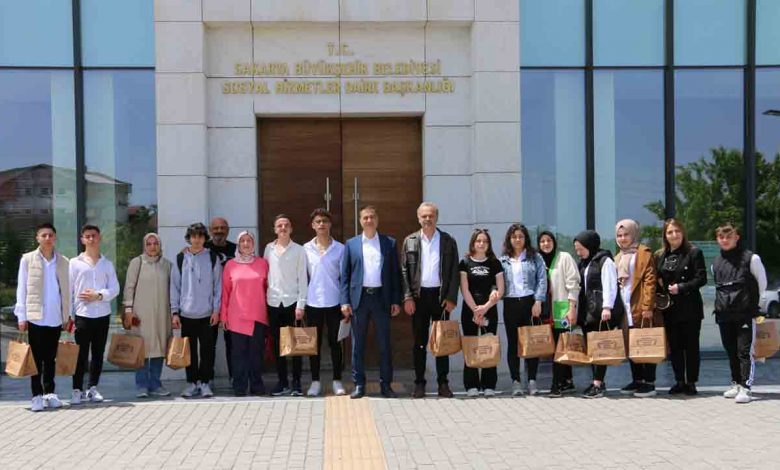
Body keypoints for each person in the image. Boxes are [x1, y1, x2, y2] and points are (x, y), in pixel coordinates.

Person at [340, 205, 402, 399]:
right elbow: (345, 276)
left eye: (372, 217)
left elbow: (395, 274)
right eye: (365, 217)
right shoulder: (351, 244)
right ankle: (359, 385)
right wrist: (344, 301)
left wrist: (396, 300)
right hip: (359, 300)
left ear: (377, 220)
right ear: (360, 221)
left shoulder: (389, 243)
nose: (369, 220)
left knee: (384, 344)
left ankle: (386, 385)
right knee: (357, 345)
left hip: (381, 299)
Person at [401, 202, 460, 399]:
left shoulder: (448, 241)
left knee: (442, 342)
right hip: (418, 298)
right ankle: (419, 383)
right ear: (418, 218)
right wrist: (408, 297)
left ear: (436, 217)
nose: (428, 219)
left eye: (431, 216)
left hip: (440, 298)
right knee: (419, 342)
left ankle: (443, 383)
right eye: (424, 216)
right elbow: (404, 271)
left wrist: (451, 298)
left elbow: (454, 271)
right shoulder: (410, 241)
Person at [14, 222, 71, 411]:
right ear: (37, 238)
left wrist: (67, 316)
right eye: (43, 235)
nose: (47, 238)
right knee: (36, 358)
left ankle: (50, 393)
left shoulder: (63, 261)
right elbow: (22, 288)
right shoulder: (27, 259)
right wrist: (21, 316)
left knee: (51, 358)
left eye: (50, 235)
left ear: (55, 238)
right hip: (35, 316)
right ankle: (36, 395)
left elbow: (67, 291)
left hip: (55, 317)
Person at [711, 223, 767, 404]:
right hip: (724, 313)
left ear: (737, 237)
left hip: (745, 313)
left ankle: (745, 387)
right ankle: (735, 383)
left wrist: (756, 307)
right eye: (721, 237)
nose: (725, 240)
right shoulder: (716, 262)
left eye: (729, 236)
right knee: (730, 350)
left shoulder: (751, 258)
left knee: (744, 351)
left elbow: (762, 284)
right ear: (717, 239)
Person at [170, 222, 222, 398]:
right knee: (189, 351)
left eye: (200, 236)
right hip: (186, 314)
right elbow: (175, 287)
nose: (197, 239)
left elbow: (218, 286)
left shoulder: (212, 258)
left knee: (207, 351)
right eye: (193, 236)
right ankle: (192, 383)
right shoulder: (180, 258)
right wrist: (175, 312)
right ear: (189, 238)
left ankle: (205, 383)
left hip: (207, 314)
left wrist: (216, 310)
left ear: (205, 238)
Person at [70, 224, 120, 404]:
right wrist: (68, 315)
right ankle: (77, 389)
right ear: (82, 240)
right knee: (80, 355)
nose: (91, 239)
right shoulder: (74, 263)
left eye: (94, 236)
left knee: (98, 354)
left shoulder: (107, 264)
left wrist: (98, 295)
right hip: (82, 314)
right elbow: (68, 290)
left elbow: (115, 288)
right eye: (88, 236)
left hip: (102, 315)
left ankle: (92, 388)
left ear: (99, 238)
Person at [656, 219, 707, 396]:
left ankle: (691, 382)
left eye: (677, 231)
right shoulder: (661, 255)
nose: (674, 235)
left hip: (690, 307)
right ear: (665, 235)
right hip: (670, 308)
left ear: (683, 233)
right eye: (670, 232)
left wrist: (682, 287)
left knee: (691, 347)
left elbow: (701, 278)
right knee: (675, 347)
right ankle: (679, 381)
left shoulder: (693, 252)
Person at [573, 230, 624, 399]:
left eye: (580, 249)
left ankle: (597, 384)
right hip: (587, 312)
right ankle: (597, 381)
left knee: (601, 346)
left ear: (590, 245)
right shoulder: (584, 263)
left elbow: (610, 285)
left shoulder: (605, 261)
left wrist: (607, 307)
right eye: (576, 249)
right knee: (592, 348)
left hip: (601, 311)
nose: (578, 252)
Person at [499, 224, 547, 396]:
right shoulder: (503, 260)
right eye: (514, 237)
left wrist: (538, 301)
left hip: (530, 303)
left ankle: (532, 380)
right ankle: (516, 381)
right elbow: (497, 283)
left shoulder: (535, 257)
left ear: (525, 238)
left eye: (520, 236)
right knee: (513, 343)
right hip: (511, 303)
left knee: (531, 342)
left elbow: (542, 280)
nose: (517, 240)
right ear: (509, 239)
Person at [122, 233, 172, 398]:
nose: (152, 247)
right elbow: (129, 287)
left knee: (159, 348)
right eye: (149, 244)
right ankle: (142, 385)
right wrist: (128, 310)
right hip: (140, 314)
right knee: (141, 349)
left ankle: (156, 384)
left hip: (161, 314)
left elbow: (173, 289)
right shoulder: (137, 262)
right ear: (144, 245)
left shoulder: (167, 265)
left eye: (155, 243)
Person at [220, 231, 269, 396]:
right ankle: (239, 387)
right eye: (242, 241)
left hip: (258, 316)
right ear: (238, 244)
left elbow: (267, 289)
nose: (246, 244)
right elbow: (225, 292)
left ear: (253, 244)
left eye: (249, 241)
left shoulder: (262, 263)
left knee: (256, 354)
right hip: (236, 317)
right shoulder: (230, 265)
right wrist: (223, 316)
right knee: (238, 354)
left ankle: (256, 385)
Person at [614, 219, 660, 398]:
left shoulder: (643, 253)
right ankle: (637, 380)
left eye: (626, 234)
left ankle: (650, 382)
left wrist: (648, 305)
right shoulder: (618, 257)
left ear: (633, 234)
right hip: (625, 307)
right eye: (619, 235)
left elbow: (650, 280)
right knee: (631, 343)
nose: (623, 238)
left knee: (646, 341)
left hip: (640, 304)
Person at [303, 209, 346, 397]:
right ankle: (315, 381)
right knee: (314, 344)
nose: (321, 224)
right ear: (313, 225)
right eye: (318, 221)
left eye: (325, 221)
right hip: (312, 303)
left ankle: (337, 380)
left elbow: (344, 278)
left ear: (330, 224)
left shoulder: (340, 249)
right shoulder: (305, 249)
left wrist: (345, 302)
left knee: (336, 343)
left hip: (335, 302)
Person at [264, 214, 308, 397]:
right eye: (279, 225)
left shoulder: (299, 250)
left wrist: (301, 304)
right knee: (277, 345)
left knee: (295, 345)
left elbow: (303, 279)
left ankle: (296, 382)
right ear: (275, 229)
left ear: (291, 229)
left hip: (292, 303)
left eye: (286, 225)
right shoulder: (268, 249)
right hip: (274, 302)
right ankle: (282, 382)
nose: (283, 228)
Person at [459, 228, 504, 398]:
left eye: (485, 241)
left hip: (489, 310)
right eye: (478, 240)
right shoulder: (465, 262)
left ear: (489, 244)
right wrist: (475, 310)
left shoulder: (494, 263)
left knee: (488, 345)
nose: (481, 243)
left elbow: (500, 289)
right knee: (471, 345)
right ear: (473, 243)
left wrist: (485, 308)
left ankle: (489, 385)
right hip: (469, 309)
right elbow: (464, 289)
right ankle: (471, 385)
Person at [537, 231, 580, 398]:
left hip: (563, 310)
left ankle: (556, 385)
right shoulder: (538, 261)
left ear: (554, 242)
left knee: (560, 348)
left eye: (548, 240)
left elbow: (573, 284)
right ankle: (567, 381)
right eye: (542, 241)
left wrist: (572, 307)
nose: (546, 244)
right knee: (557, 346)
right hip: (546, 313)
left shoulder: (564, 258)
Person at [205, 216, 237, 380]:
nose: (219, 231)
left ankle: (234, 377)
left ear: (228, 230)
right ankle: (207, 379)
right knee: (209, 344)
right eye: (216, 228)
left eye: (222, 228)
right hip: (209, 304)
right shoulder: (203, 248)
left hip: (232, 304)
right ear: (210, 231)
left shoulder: (236, 249)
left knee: (232, 343)